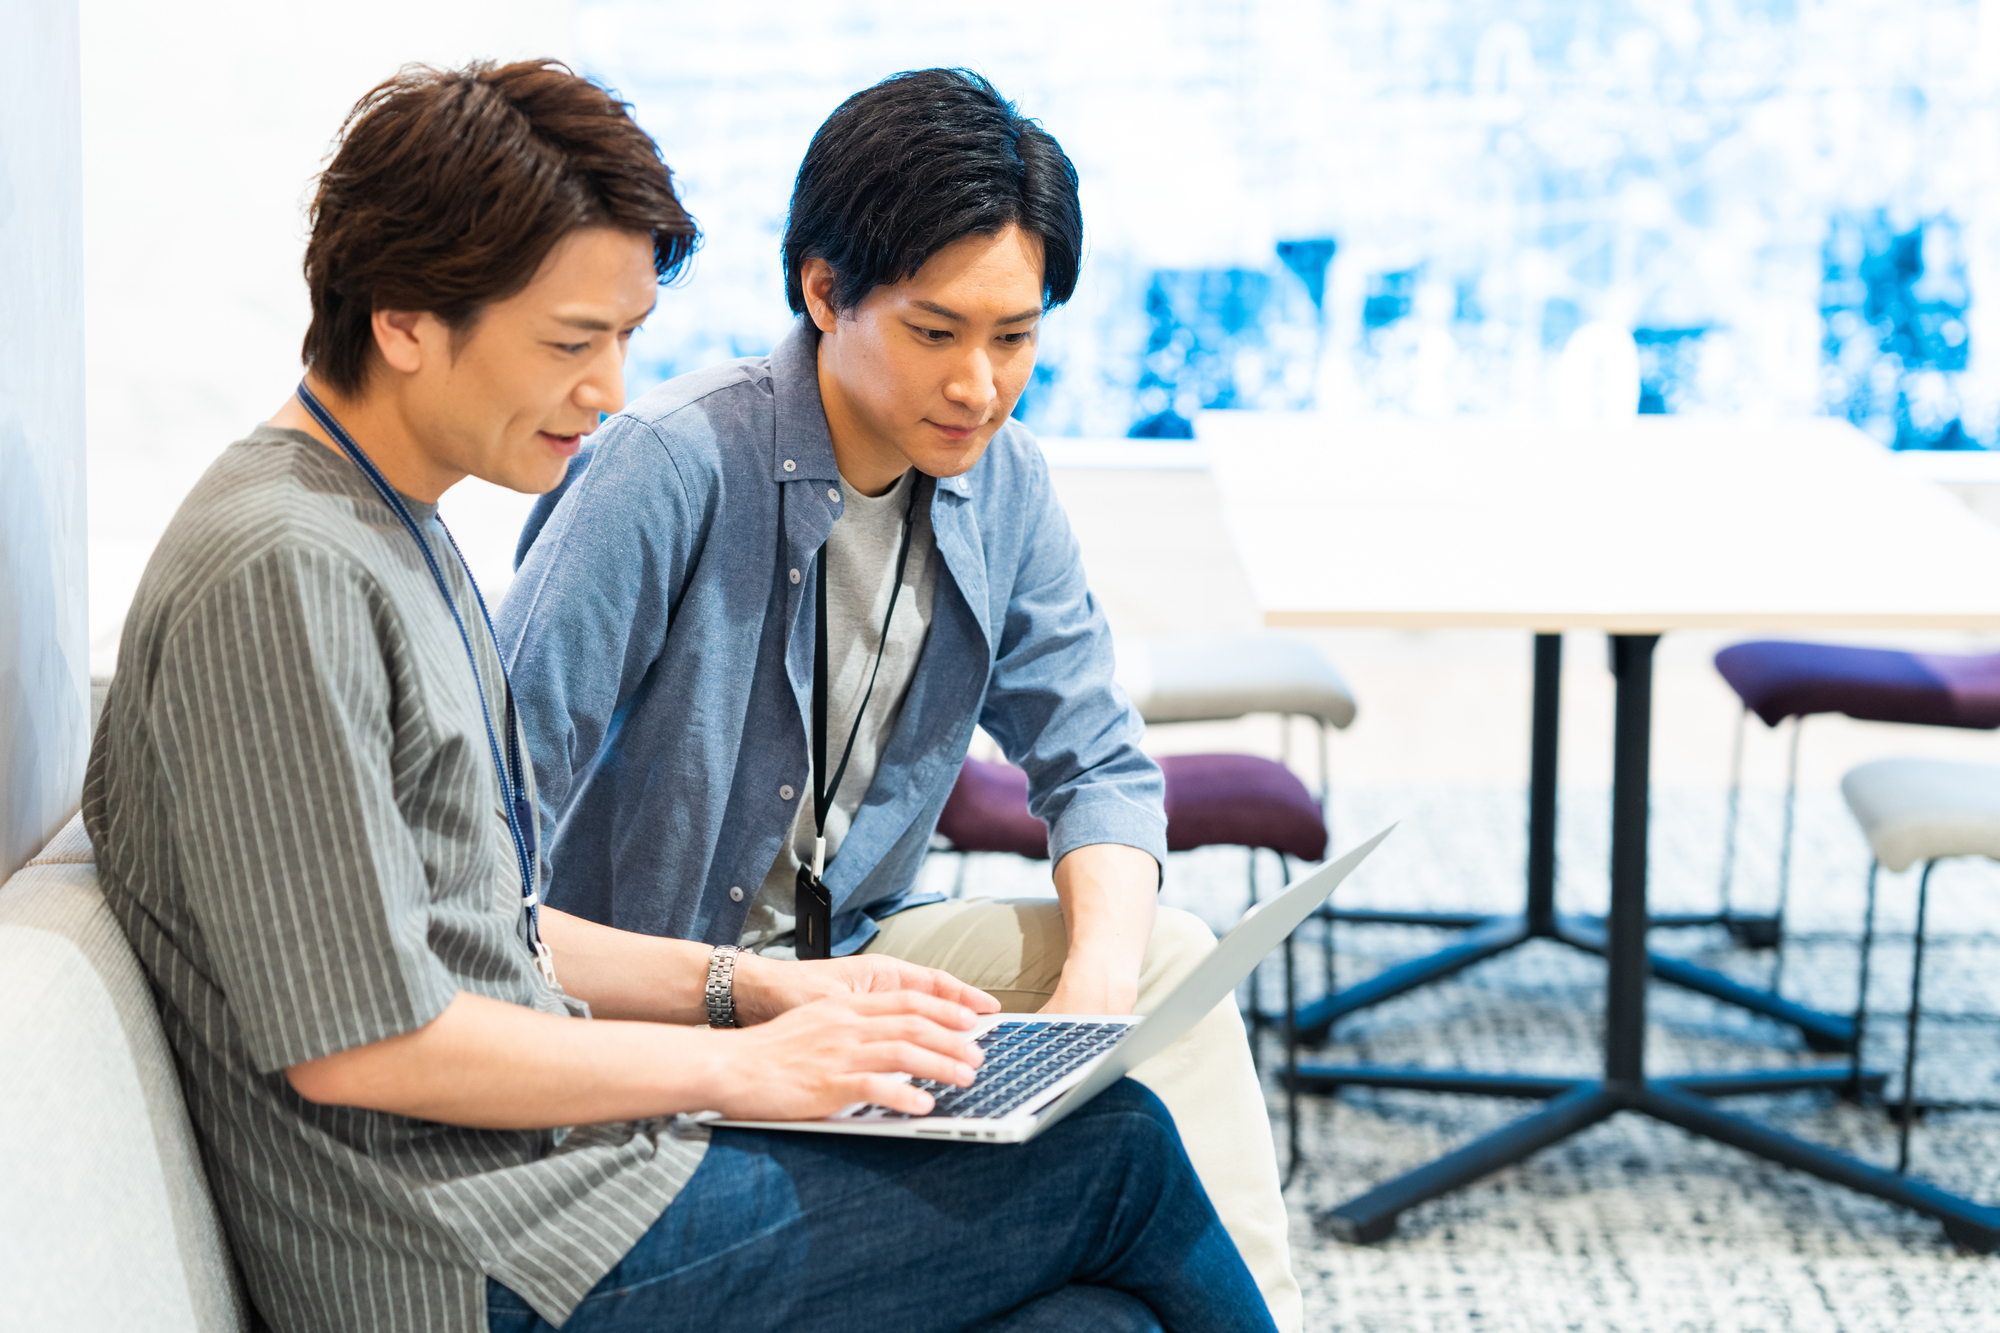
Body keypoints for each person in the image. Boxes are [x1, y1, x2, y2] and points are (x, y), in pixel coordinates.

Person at [82, 59, 1277, 1333]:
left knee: (1097, 1322)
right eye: (570, 342)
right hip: (476, 1255)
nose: (606, 390)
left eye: (623, 339)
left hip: (568, 1176)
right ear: (404, 318)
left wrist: (759, 995)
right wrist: (749, 1063)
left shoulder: (389, 530)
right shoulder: (282, 569)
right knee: (1116, 1155)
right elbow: (362, 1042)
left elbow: (492, 921)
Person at [497, 68, 1301, 1331]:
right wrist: (739, 996)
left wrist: (1093, 996)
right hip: (654, 1002)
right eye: (936, 334)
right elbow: (482, 860)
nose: (979, 384)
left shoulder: (1003, 482)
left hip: (847, 959)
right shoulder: (667, 468)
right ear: (825, 293)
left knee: (1164, 956)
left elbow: (1094, 762)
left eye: (1014, 338)